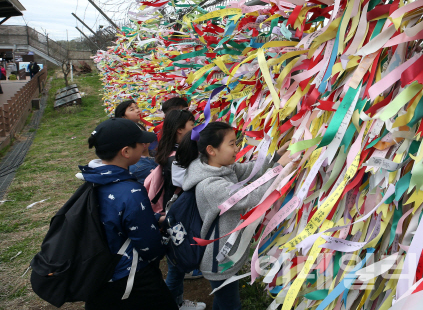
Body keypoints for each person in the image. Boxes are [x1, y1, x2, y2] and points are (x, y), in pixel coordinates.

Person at [177, 122, 292, 310]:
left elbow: (250, 171)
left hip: (226, 253)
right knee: (231, 304)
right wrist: (281, 168)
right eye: (231, 144)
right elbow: (251, 195)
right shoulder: (210, 186)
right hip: (217, 259)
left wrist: (276, 157)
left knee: (224, 301)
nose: (237, 148)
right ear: (211, 150)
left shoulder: (219, 167)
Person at [82, 118, 177, 310]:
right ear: (125, 152)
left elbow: (116, 217)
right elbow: (148, 245)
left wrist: (153, 218)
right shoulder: (131, 191)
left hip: (101, 273)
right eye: (140, 143)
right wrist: (163, 247)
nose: (145, 145)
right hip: (130, 277)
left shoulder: (95, 179)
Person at [154, 110, 204, 310]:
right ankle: (173, 303)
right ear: (180, 129)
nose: (196, 128)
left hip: (174, 214)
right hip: (176, 216)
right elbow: (186, 183)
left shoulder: (171, 151)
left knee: (176, 263)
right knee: (175, 267)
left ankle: (177, 301)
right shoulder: (177, 157)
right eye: (192, 124)